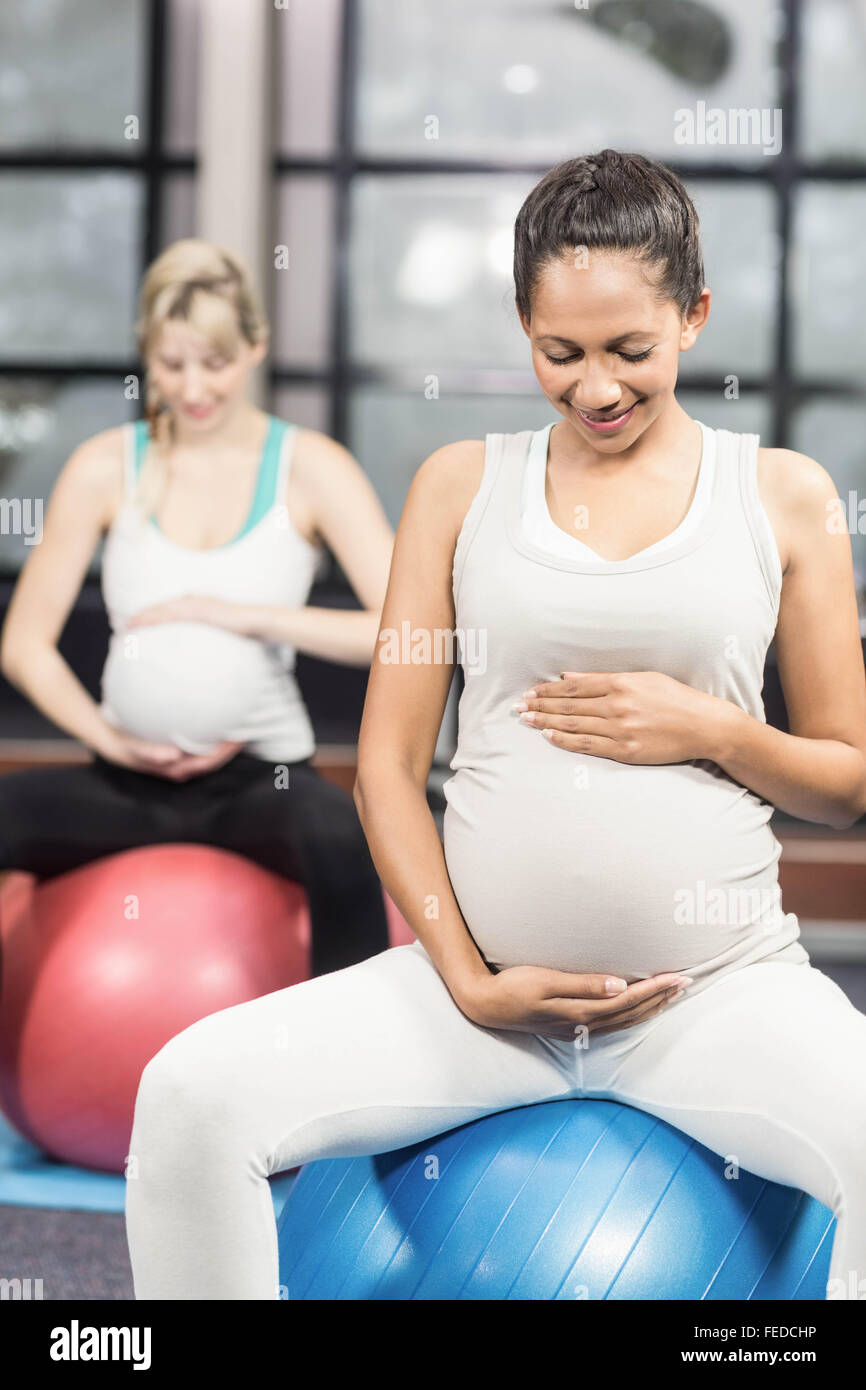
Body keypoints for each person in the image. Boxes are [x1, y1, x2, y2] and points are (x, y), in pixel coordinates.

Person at [124, 151, 866, 1300]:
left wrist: (712, 726)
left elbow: (842, 780)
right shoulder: (459, 486)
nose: (596, 388)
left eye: (632, 351)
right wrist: (467, 978)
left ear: (694, 314)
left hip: (716, 994)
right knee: (187, 1094)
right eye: (558, 353)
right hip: (473, 1003)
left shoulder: (782, 495)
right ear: (522, 321)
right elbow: (383, 766)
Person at [0, 238, 394, 979]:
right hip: (125, 779)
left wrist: (243, 614)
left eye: (213, 363)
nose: (191, 387)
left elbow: (406, 634)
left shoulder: (311, 467)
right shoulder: (103, 466)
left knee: (341, 830)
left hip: (259, 782)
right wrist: (112, 741)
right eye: (170, 364)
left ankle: (351, 1063)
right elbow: (24, 645)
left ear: (255, 349)